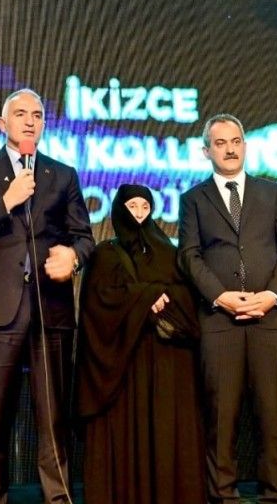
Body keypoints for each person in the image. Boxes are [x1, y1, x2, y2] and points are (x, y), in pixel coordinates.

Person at [0, 88, 94, 504]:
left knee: (52, 416)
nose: (30, 121)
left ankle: (58, 498)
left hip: (51, 308)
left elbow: (84, 237)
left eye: (37, 114)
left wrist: (73, 256)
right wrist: (6, 201)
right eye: (20, 114)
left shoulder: (62, 174)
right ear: (3, 123)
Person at [177, 115, 277, 503]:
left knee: (273, 418)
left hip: (272, 320)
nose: (229, 149)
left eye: (235, 141)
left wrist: (272, 295)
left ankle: (274, 496)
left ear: (245, 145)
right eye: (220, 143)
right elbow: (189, 256)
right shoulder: (193, 199)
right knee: (221, 417)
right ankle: (223, 496)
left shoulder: (273, 192)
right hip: (220, 322)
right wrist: (220, 296)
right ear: (206, 151)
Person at [81, 183, 206, 504]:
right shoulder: (105, 254)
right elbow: (98, 302)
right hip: (124, 366)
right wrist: (146, 297)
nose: (138, 213)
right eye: (132, 206)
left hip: (167, 363)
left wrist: (159, 298)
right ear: (119, 209)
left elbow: (188, 299)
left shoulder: (171, 252)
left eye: (145, 207)